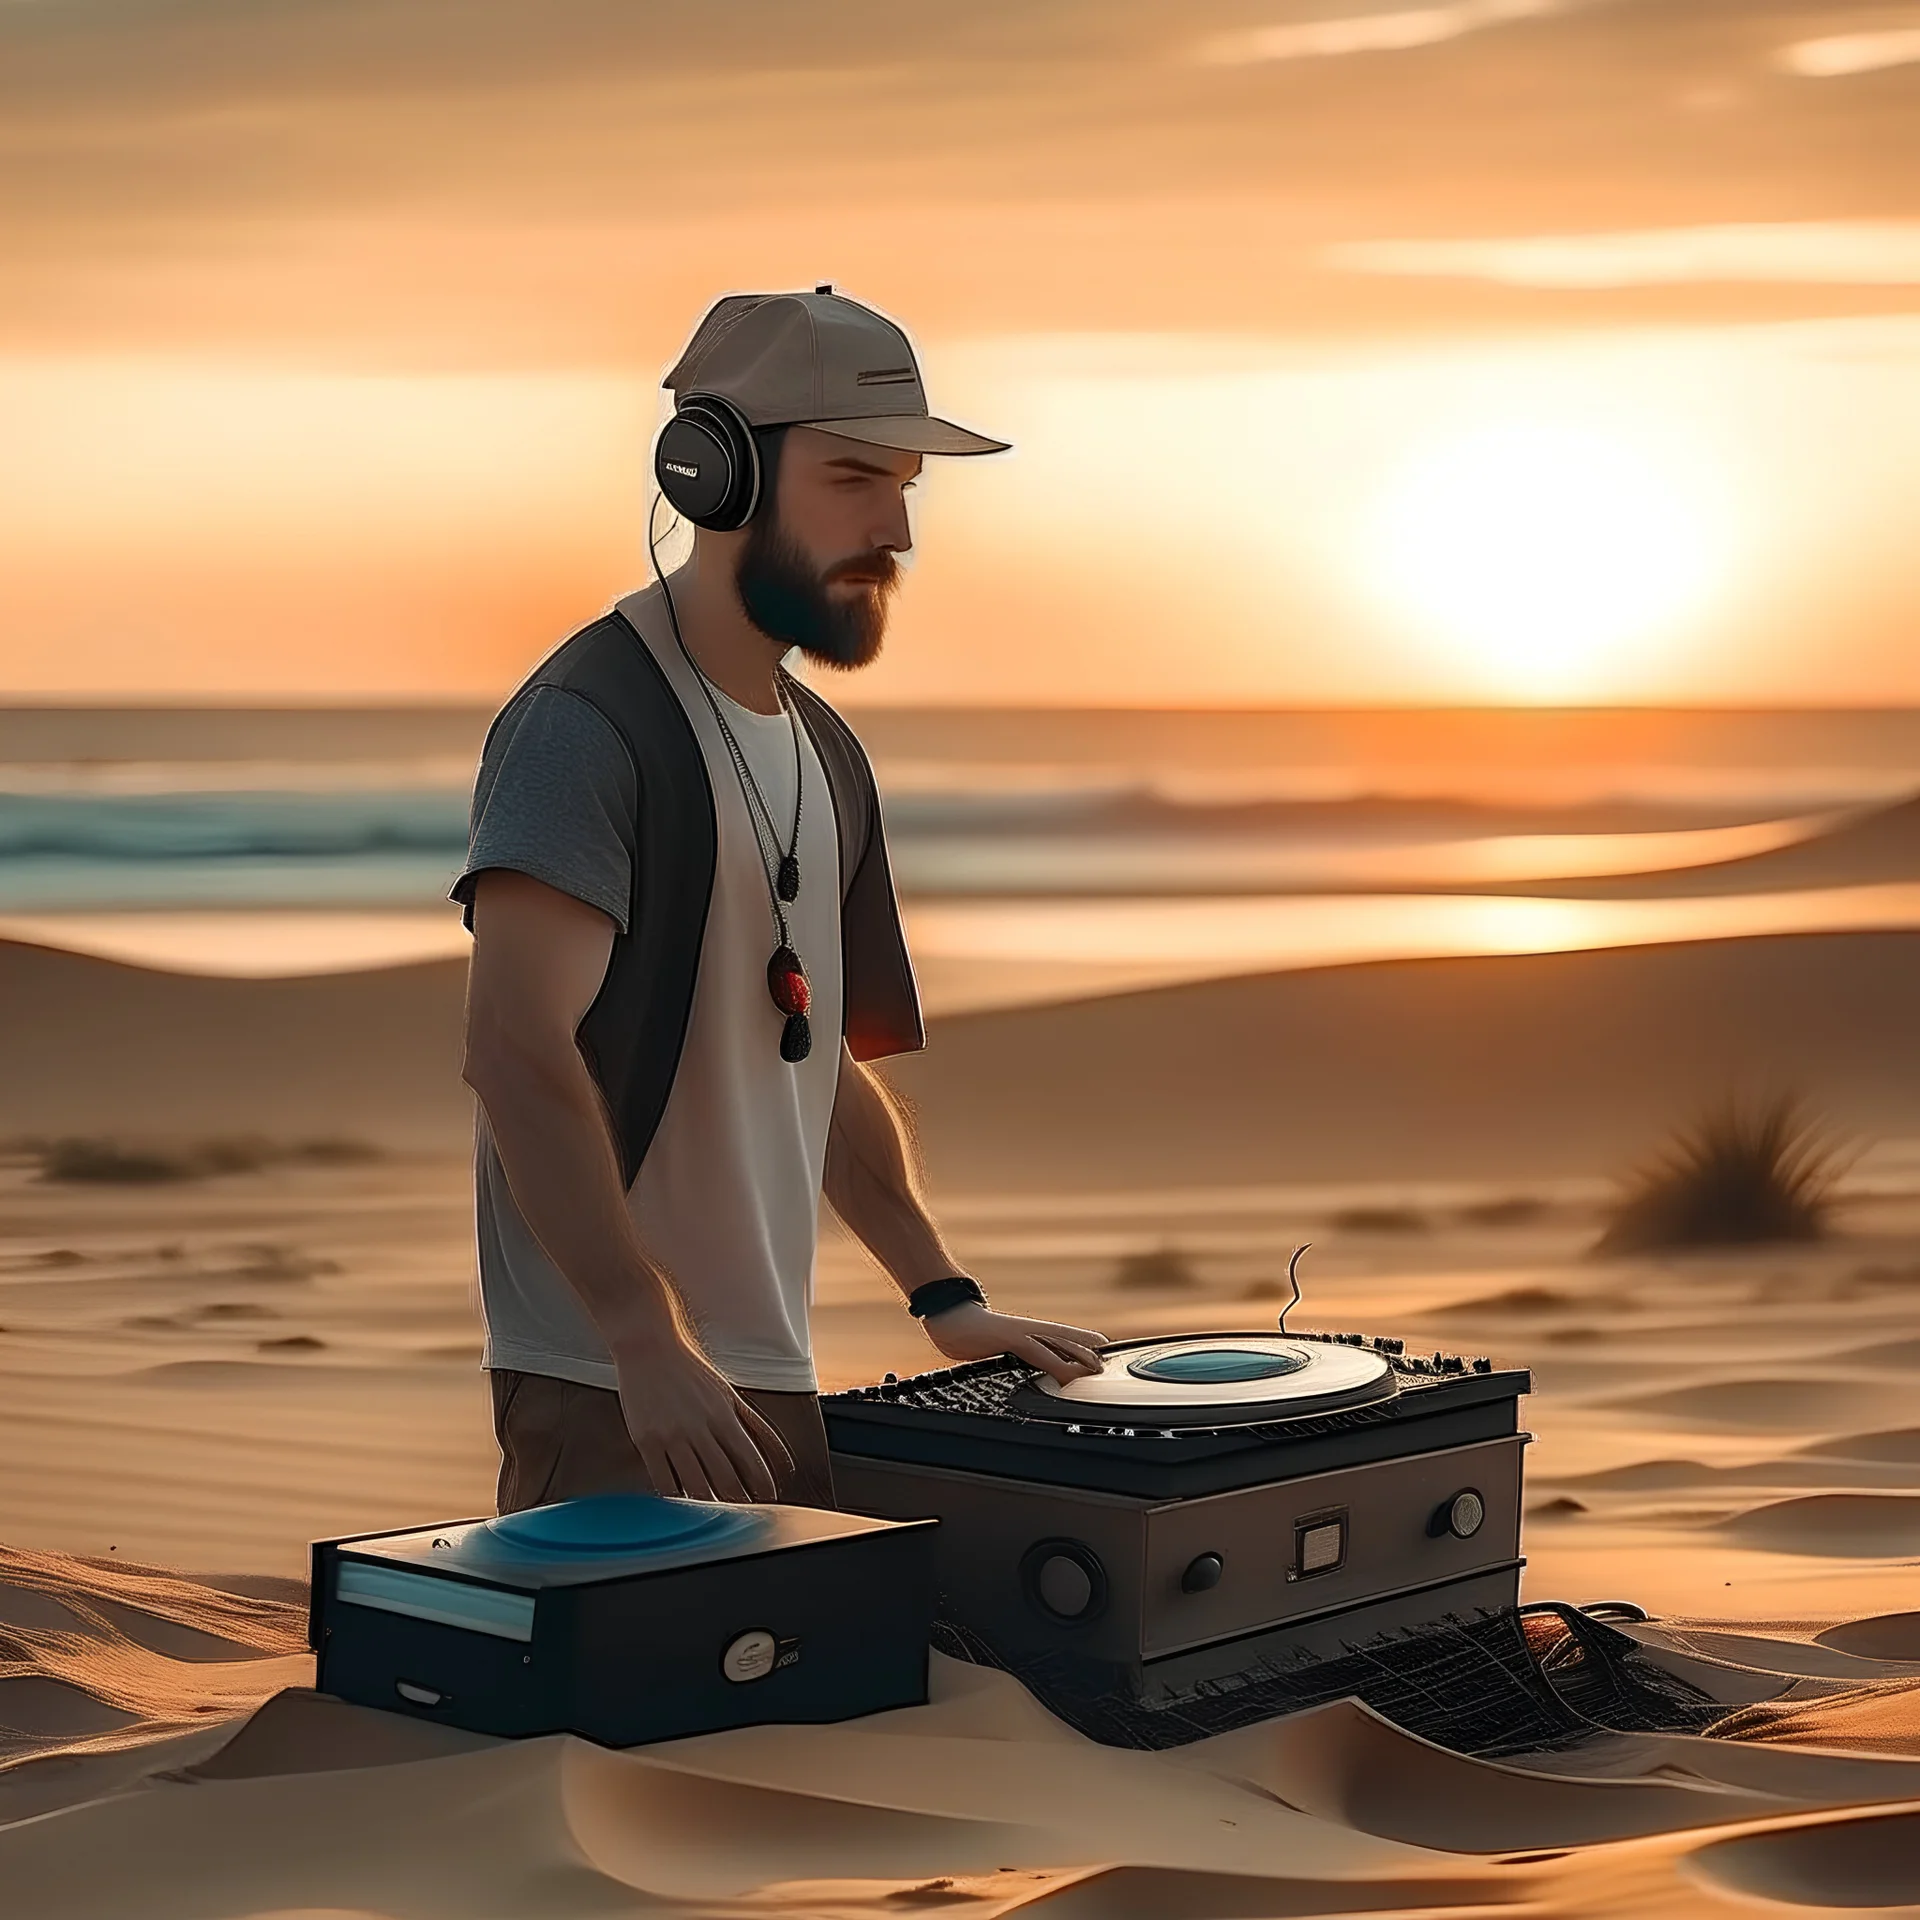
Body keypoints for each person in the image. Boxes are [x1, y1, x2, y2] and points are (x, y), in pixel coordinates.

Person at [455, 287, 1107, 1514]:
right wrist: (638, 1334)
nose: (897, 529)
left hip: (766, 1377)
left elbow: (812, 1067)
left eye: (908, 486)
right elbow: (513, 1049)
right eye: (856, 479)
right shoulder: (588, 725)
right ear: (717, 476)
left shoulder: (826, 754)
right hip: (613, 1382)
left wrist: (944, 1296)